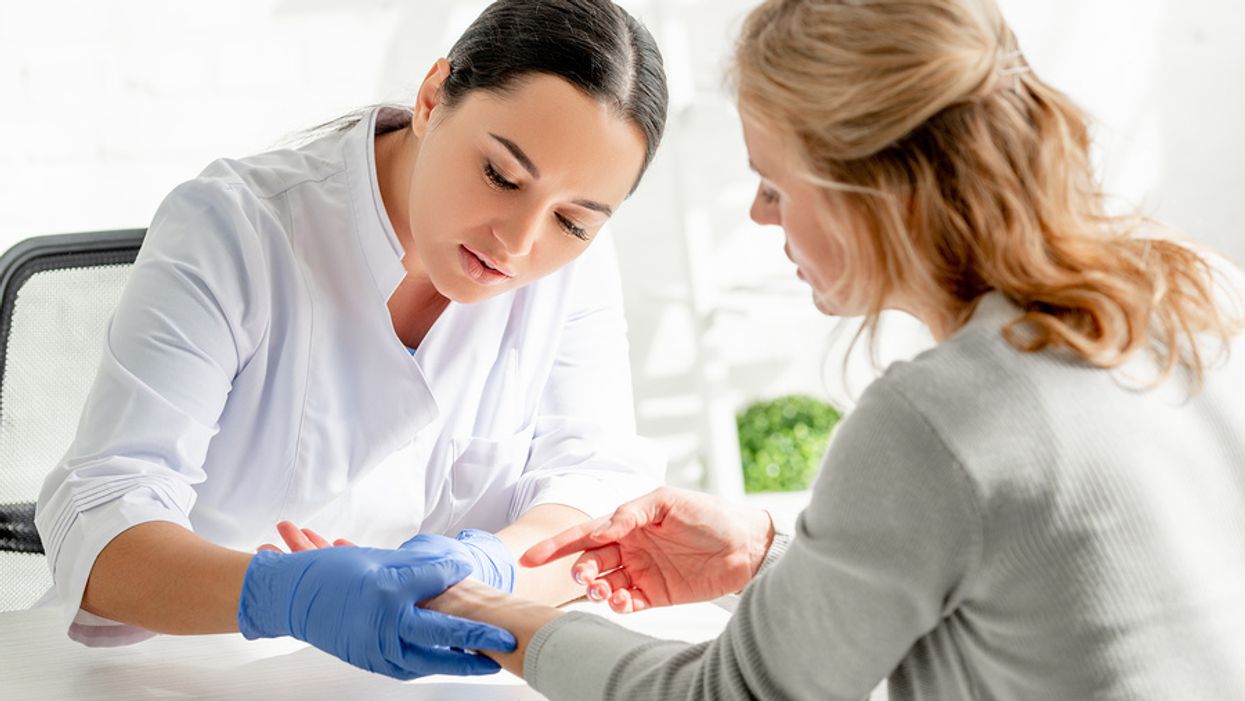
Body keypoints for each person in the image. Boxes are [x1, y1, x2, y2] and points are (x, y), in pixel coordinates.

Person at [322, 0, 1245, 697]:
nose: (761, 216)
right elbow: (1023, 582)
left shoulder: (936, 418)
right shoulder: (1198, 290)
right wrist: (767, 555)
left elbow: (731, 694)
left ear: (863, 190)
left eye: (772, 184)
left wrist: (483, 613)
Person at [33, 0, 670, 680]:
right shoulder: (233, 228)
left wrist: (488, 566)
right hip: (187, 673)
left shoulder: (573, 268)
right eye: (500, 176)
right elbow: (102, 515)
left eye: (572, 222)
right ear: (432, 98)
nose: (518, 242)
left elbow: (597, 487)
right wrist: (282, 595)